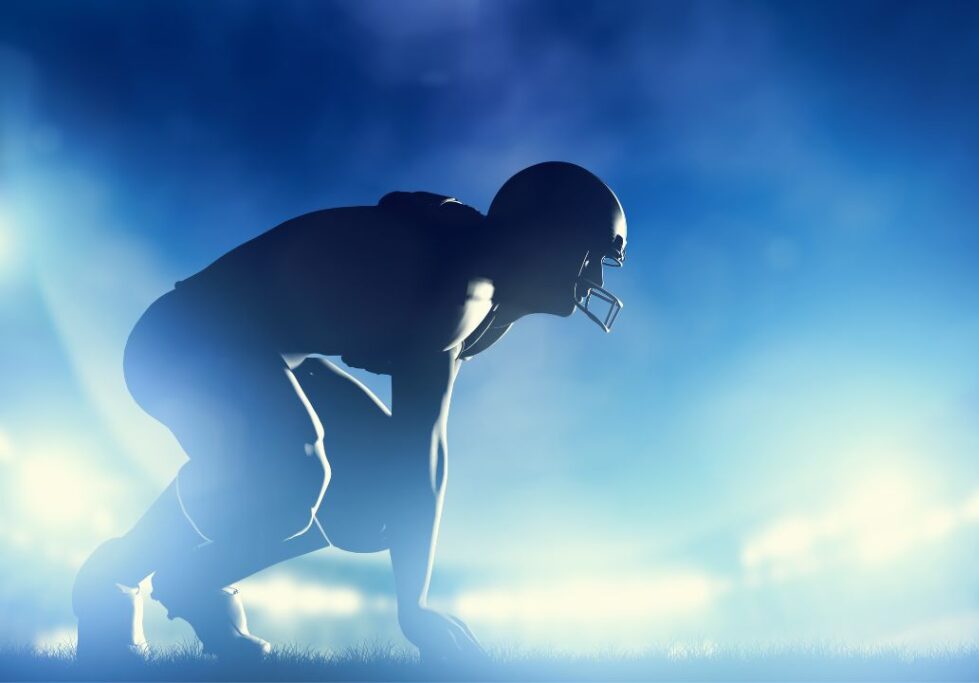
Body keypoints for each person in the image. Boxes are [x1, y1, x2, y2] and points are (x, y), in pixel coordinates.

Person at [72, 161, 628, 664]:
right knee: (293, 470)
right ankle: (115, 576)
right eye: (591, 256)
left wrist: (417, 602)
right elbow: (422, 448)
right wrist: (415, 609)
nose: (597, 280)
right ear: (545, 239)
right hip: (180, 341)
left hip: (254, 353)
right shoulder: (459, 286)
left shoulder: (474, 279)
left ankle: (197, 578)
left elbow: (417, 457)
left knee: (375, 503)